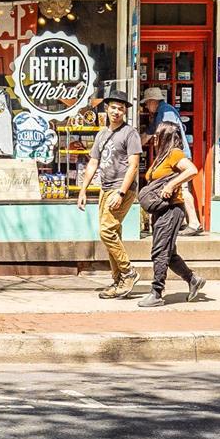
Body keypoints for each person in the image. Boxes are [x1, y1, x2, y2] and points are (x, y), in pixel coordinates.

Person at [74, 90, 142, 299]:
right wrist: (83, 190)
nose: (116, 112)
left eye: (121, 109)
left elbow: (133, 165)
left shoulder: (130, 133)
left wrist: (121, 193)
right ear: (106, 109)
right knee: (113, 234)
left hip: (121, 189)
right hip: (105, 188)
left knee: (107, 231)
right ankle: (118, 281)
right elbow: (93, 162)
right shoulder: (102, 134)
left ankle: (129, 272)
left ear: (125, 112)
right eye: (113, 107)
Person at [137, 121, 209, 308]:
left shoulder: (174, 154)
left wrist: (171, 185)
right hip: (160, 210)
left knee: (160, 251)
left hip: (171, 209)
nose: (154, 138)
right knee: (169, 252)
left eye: (158, 134)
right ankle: (193, 279)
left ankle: (156, 292)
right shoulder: (161, 156)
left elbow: (192, 170)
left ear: (166, 136)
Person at [140, 87, 202, 235]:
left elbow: (167, 133)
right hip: (172, 155)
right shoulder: (163, 111)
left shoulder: (165, 112)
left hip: (177, 156)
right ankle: (182, 222)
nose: (147, 107)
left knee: (183, 188)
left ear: (153, 101)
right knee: (178, 189)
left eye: (147, 104)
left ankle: (194, 223)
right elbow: (150, 133)